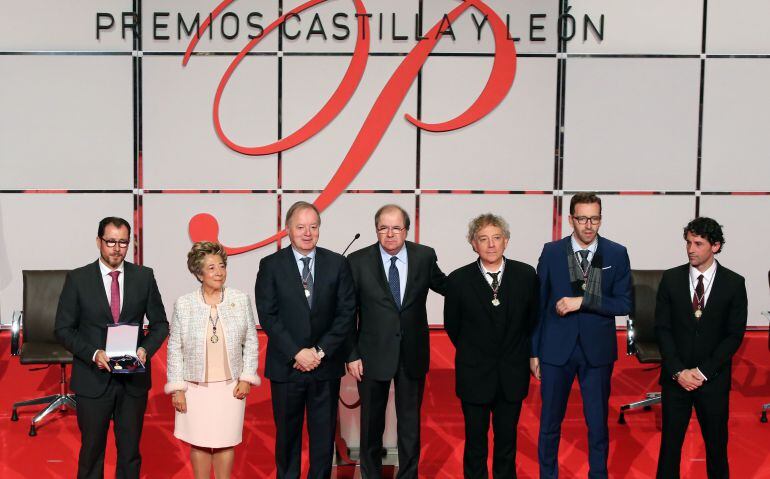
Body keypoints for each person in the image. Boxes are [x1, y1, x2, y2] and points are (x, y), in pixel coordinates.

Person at [54, 216, 169, 479]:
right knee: (92, 452)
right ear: (98, 242)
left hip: (133, 380)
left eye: (123, 242)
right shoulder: (78, 279)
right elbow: (62, 329)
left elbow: (161, 324)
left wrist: (145, 350)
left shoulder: (144, 277)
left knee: (129, 453)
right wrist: (93, 353)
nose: (117, 248)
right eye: (111, 242)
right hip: (93, 379)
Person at [531, 193, 631, 479]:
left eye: (595, 218)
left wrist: (583, 301)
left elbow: (624, 303)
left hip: (596, 351)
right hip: (555, 349)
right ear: (571, 219)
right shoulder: (551, 252)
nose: (589, 225)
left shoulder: (615, 253)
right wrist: (533, 351)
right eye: (583, 218)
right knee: (549, 423)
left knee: (598, 424)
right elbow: (539, 304)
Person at [255, 201, 356, 479]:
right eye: (301, 227)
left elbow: (346, 313)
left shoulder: (337, 263)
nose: (307, 233)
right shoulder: (271, 265)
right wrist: (297, 352)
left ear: (319, 229)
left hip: (325, 369)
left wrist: (319, 352)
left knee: (323, 441)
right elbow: (268, 314)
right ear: (288, 229)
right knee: (287, 440)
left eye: (313, 226)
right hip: (287, 368)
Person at [346, 204, 446, 479]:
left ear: (406, 230)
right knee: (370, 426)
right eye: (383, 228)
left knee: (410, 426)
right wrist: (351, 354)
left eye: (396, 228)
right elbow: (347, 313)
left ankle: (409, 475)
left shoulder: (424, 256)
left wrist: (483, 282)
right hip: (370, 356)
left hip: (412, 354)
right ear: (376, 229)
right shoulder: (357, 261)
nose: (390, 234)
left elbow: (448, 287)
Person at [444, 214, 539, 479]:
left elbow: (532, 319)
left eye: (496, 238)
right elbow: (454, 327)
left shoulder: (525, 275)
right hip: (474, 374)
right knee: (475, 445)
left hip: (512, 373)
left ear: (506, 241)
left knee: (507, 444)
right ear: (473, 244)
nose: (491, 245)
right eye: (483, 239)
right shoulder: (458, 280)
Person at [655, 217, 747, 479]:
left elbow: (733, 335)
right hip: (676, 380)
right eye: (688, 242)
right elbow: (662, 329)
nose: (690, 249)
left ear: (715, 246)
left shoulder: (734, 283)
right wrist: (678, 371)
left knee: (717, 450)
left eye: (698, 243)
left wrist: (703, 372)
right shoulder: (671, 279)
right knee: (669, 449)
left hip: (713, 381)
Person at [165, 241, 260, 479]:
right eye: (211, 268)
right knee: (199, 442)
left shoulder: (240, 299)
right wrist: (177, 389)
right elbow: (175, 348)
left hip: (230, 386)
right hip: (195, 387)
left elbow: (251, 341)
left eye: (222, 266)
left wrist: (247, 377)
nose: (219, 272)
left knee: (225, 442)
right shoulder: (184, 304)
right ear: (198, 273)